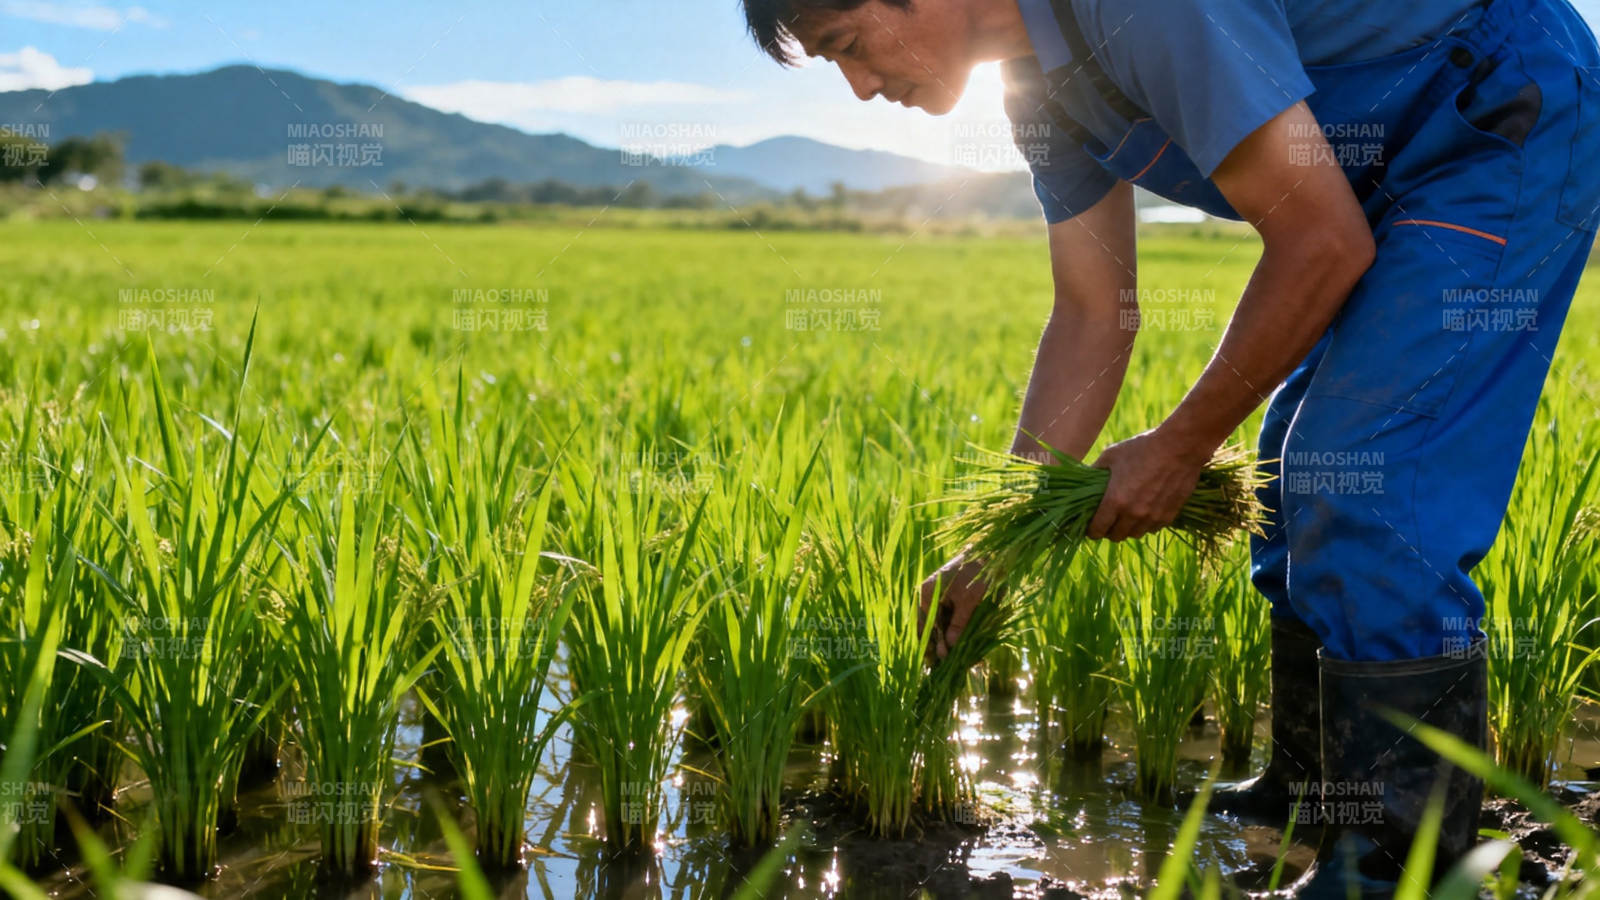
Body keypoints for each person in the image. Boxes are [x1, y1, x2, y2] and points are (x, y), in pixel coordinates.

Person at [739, 0, 1600, 895]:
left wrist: (1179, 447)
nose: (861, 86)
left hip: (1499, 117)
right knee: (1291, 469)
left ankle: (1400, 869)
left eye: (849, 46)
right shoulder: (1040, 92)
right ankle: (1313, 793)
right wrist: (995, 549)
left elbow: (1320, 242)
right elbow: (1092, 312)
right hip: (1384, 170)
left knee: (1365, 479)